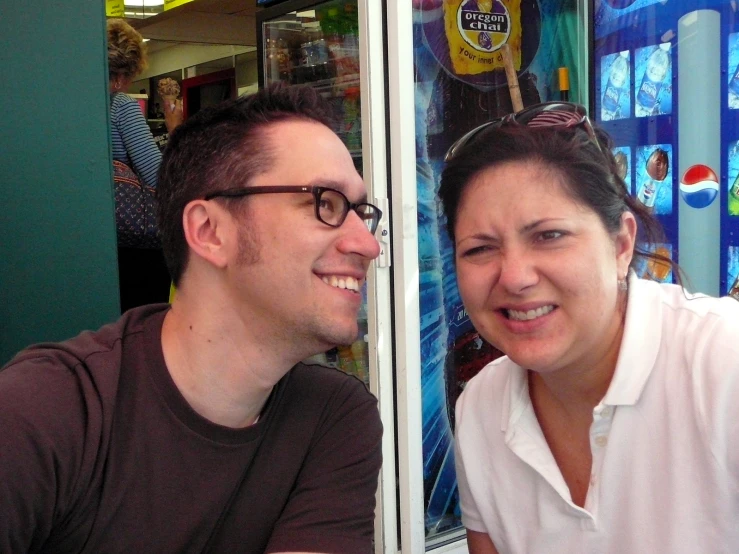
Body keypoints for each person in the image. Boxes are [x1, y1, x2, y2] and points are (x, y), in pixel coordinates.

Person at [0, 84, 384, 553]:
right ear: (209, 231)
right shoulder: (44, 414)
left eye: (362, 213)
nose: (368, 245)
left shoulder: (335, 417)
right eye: (326, 203)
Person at [438, 102, 739, 553]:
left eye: (549, 235)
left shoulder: (722, 364)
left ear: (621, 245)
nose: (515, 276)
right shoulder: (482, 408)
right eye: (480, 249)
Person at [107, 18, 182, 312]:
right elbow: (160, 177)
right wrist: (175, 127)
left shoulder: (69, 105)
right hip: (132, 244)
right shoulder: (120, 105)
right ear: (121, 76)